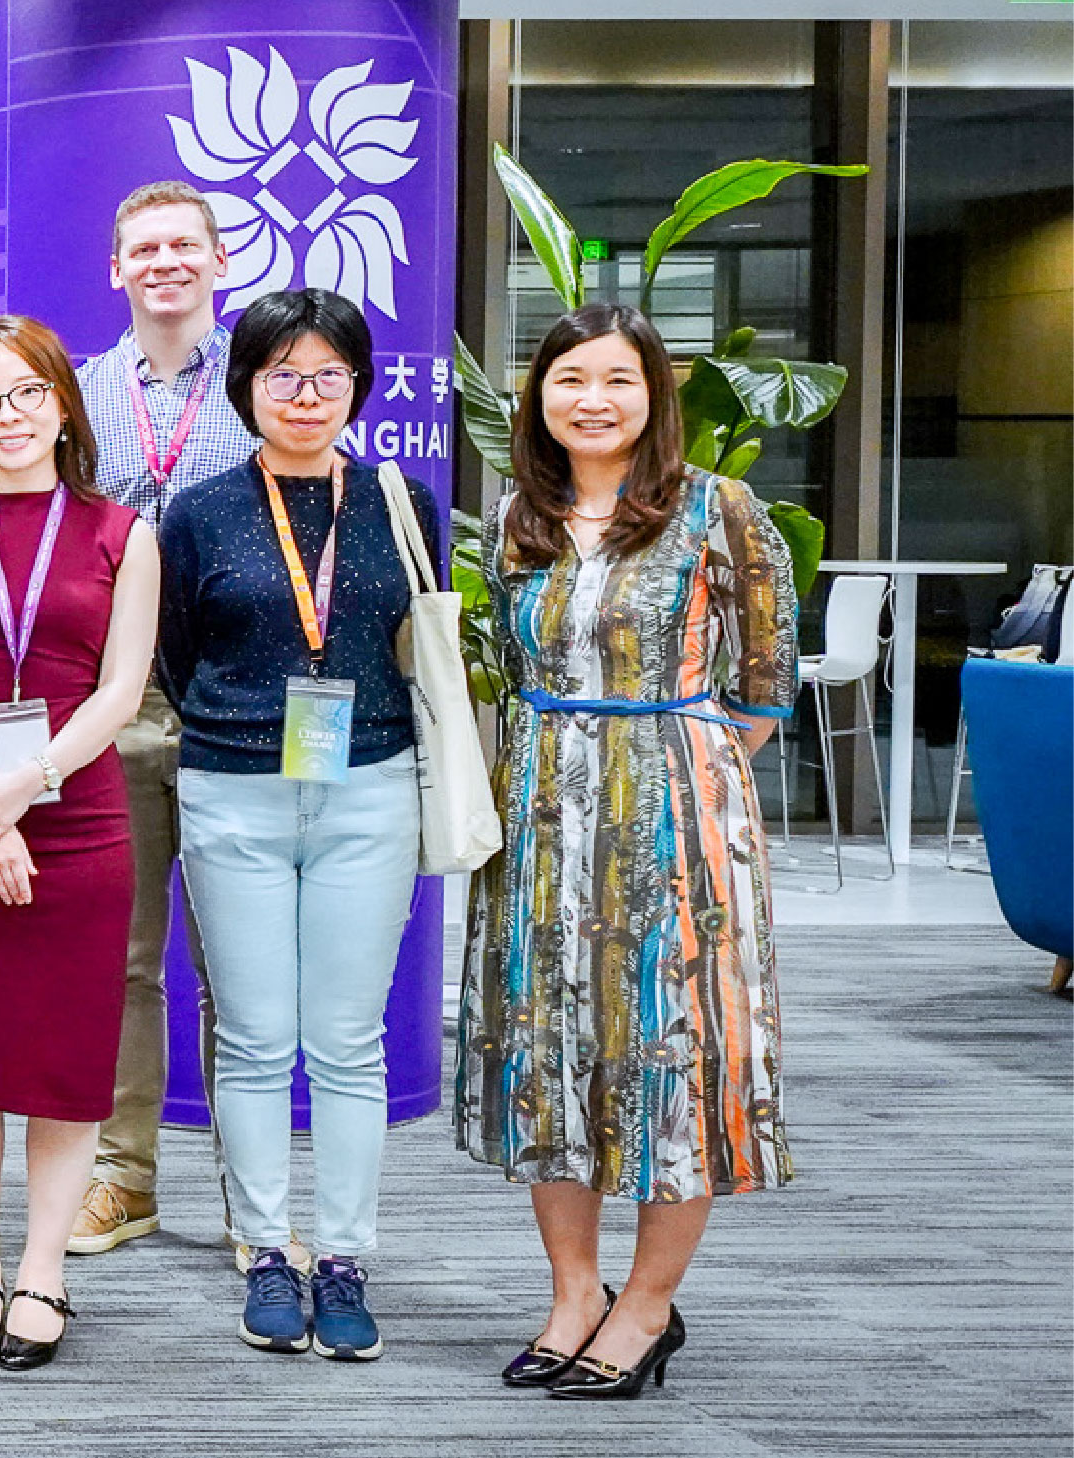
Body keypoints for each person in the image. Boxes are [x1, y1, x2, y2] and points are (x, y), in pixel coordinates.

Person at [457, 303, 795, 1400]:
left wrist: (666, 768)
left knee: (668, 1060)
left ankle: (647, 1307)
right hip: (542, 828)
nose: (589, 400)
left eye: (614, 380)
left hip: (678, 830)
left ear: (653, 394)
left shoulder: (718, 511)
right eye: (567, 381)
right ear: (537, 399)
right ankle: (571, 1296)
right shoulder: (518, 518)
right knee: (547, 1058)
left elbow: (762, 688)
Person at [156, 286, 434, 1363]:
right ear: (246, 388)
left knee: (347, 1040)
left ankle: (346, 1256)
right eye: (281, 375)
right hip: (231, 791)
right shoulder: (200, 510)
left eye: (325, 375)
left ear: (356, 385)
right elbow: (174, 653)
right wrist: (235, 728)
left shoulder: (395, 501)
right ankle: (267, 1251)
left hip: (369, 788)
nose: (304, 395)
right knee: (256, 1036)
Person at [0, 316, 160, 1373]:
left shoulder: (118, 531)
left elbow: (121, 689)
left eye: (23, 395)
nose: (4, 417)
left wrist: (26, 788)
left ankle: (42, 1269)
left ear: (61, 403)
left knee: (60, 1059)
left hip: (79, 817)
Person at [70, 182, 258, 1259]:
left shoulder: (264, 385)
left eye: (183, 245)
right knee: (125, 962)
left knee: (236, 966)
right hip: (117, 704)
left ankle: (252, 1195)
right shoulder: (83, 393)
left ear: (217, 260)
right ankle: (121, 1175)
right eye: (141, 248)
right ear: (114, 269)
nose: (163, 263)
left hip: (236, 704)